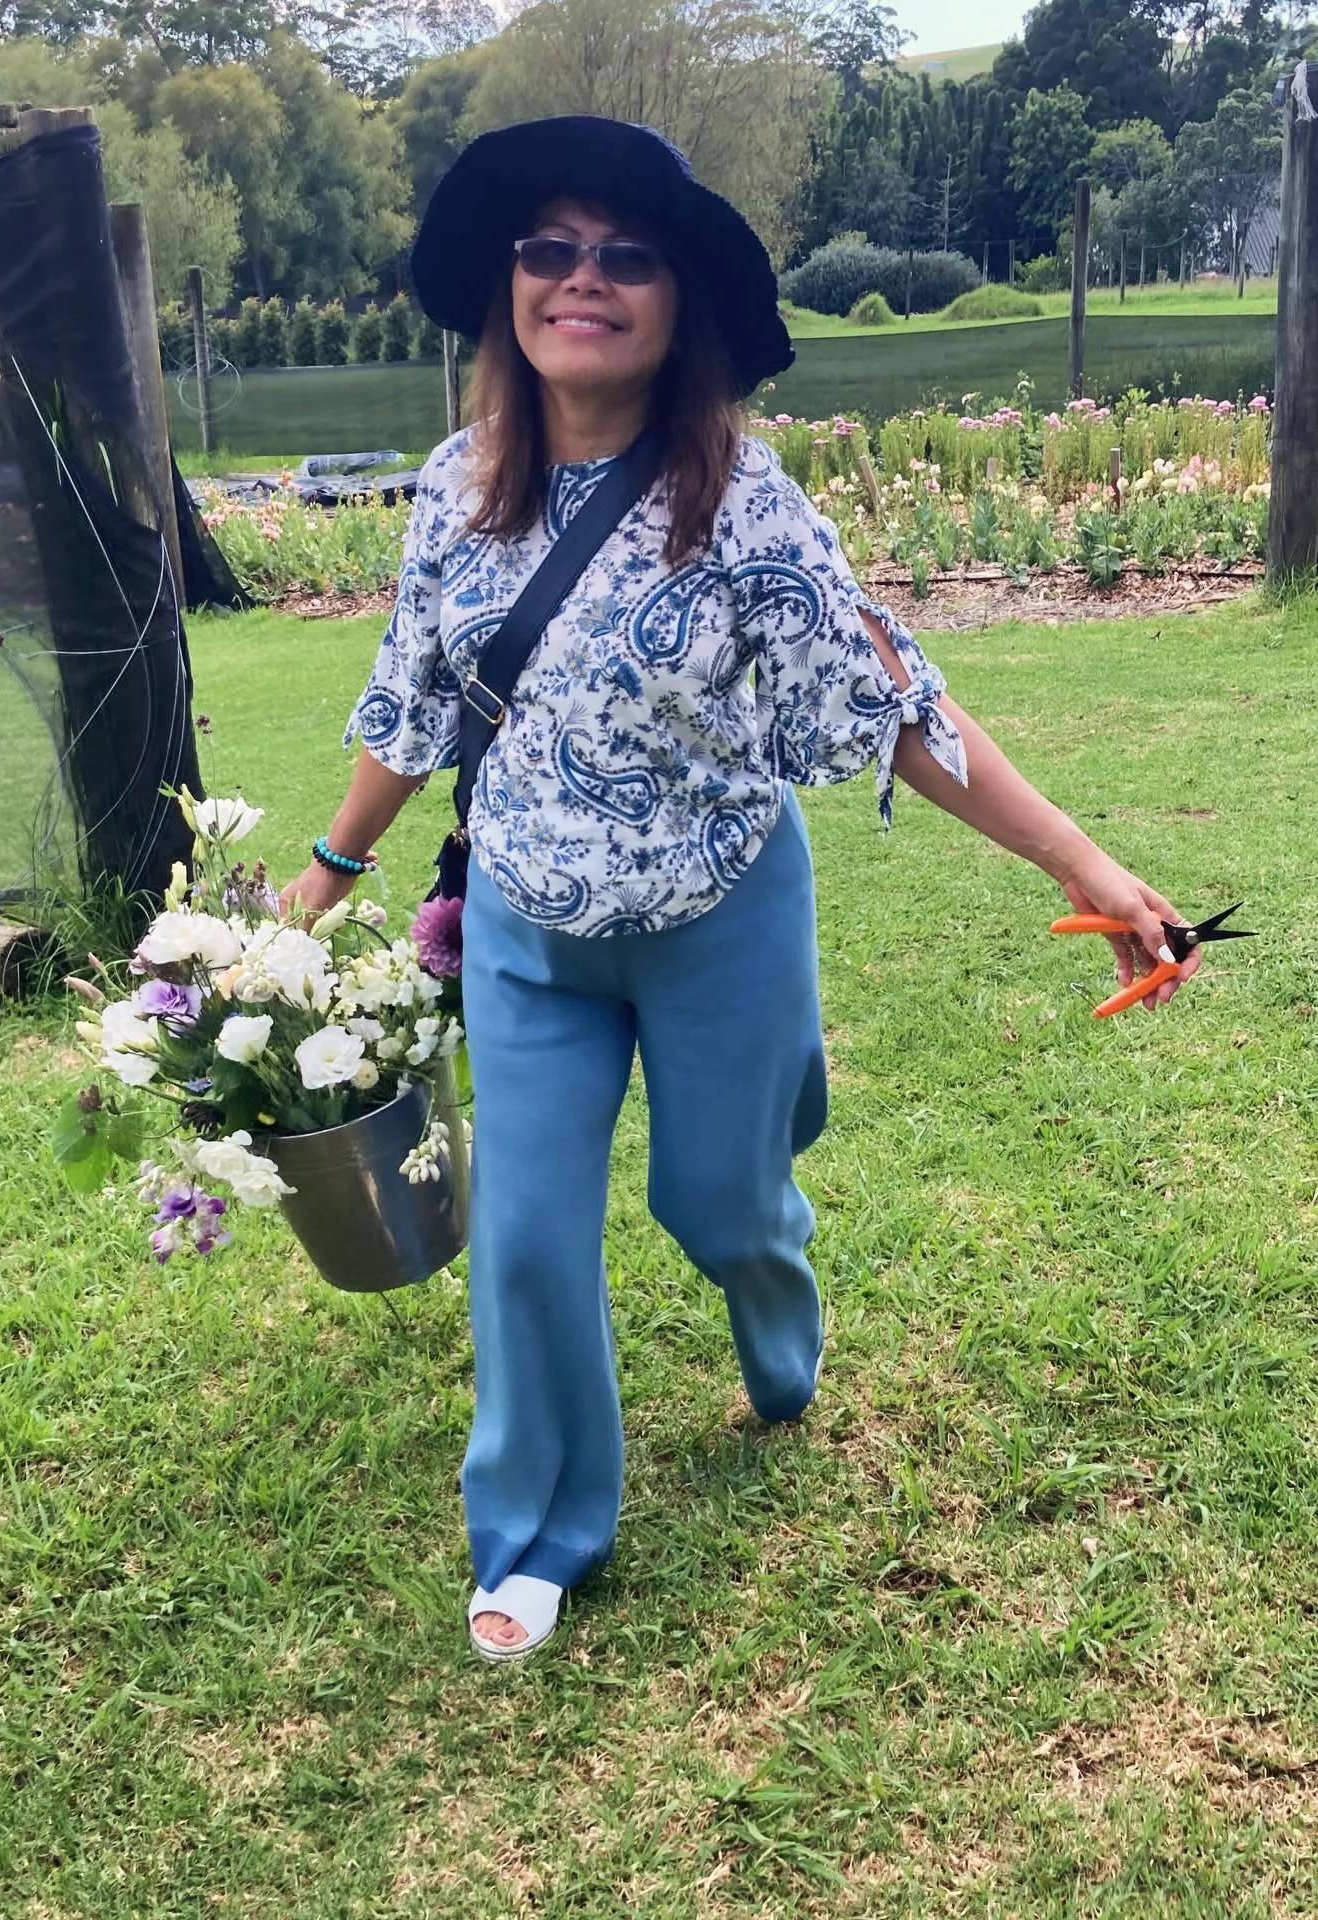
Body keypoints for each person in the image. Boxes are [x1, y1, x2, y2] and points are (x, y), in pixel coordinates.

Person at [280, 116, 1199, 1663]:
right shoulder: (454, 489)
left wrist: (1090, 866)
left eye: (626, 256)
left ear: (677, 301)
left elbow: (896, 708)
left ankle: (777, 1287)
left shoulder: (745, 504)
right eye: (550, 250)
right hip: (526, 930)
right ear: (511, 284)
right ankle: (537, 1530)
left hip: (719, 919)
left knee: (719, 1202)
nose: (583, 279)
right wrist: (323, 872)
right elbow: (408, 705)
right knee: (522, 1231)